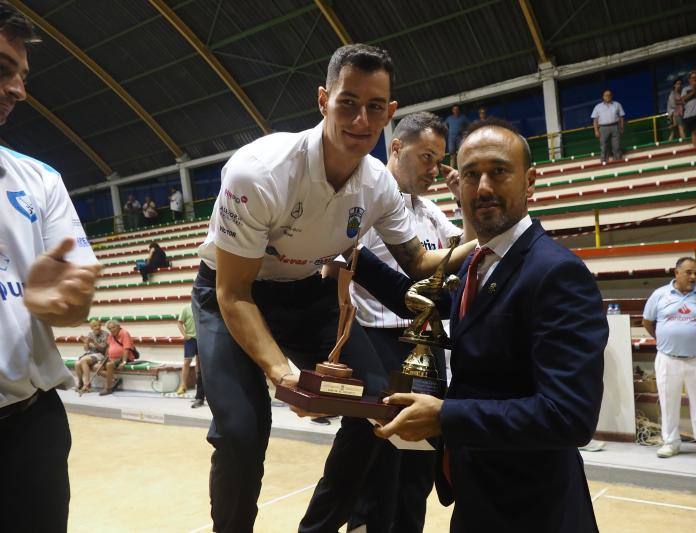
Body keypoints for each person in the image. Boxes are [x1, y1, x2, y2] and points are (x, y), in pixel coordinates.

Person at [191, 43, 477, 533]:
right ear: (323, 100)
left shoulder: (378, 187)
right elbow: (233, 294)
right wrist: (283, 375)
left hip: (305, 292)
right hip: (233, 294)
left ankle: (319, 528)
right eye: (348, 102)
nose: (360, 118)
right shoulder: (257, 172)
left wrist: (480, 235)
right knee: (240, 433)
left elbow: (418, 263)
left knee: (380, 405)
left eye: (373, 107)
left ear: (389, 113)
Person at [357, 118, 608, 531]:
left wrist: (447, 416)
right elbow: (418, 299)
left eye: (498, 172)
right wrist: (348, 254)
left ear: (530, 181)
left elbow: (569, 417)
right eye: (471, 175)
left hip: (532, 507)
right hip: (479, 496)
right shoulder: (482, 261)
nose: (484, 187)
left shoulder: (556, 273)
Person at [0, 4, 102, 530]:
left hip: (28, 429)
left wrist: (67, 301)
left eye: (21, 74)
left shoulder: (39, 179)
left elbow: (74, 307)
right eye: (2, 69)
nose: (18, 89)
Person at [347, 112, 473, 533]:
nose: (434, 170)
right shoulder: (363, 200)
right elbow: (338, 269)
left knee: (419, 466)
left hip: (428, 346)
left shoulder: (431, 210)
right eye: (426, 158)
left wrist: (468, 204)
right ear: (396, 148)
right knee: (378, 465)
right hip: (380, 344)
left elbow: (468, 253)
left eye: (439, 160)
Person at [641, 257, 696, 462]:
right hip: (668, 358)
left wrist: (695, 342)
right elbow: (648, 322)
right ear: (676, 273)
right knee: (668, 402)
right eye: (688, 272)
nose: (693, 276)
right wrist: (667, 340)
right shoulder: (659, 295)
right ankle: (671, 443)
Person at [176, 303, 204, 408]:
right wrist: (185, 335)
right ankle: (183, 385)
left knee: (199, 363)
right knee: (187, 361)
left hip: (201, 338)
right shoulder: (186, 308)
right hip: (190, 339)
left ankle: (198, 385)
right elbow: (179, 323)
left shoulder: (201, 307)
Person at [102, 320, 135, 396]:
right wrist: (104, 358)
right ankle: (114, 379)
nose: (112, 330)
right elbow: (108, 348)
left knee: (109, 365)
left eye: (113, 327)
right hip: (112, 358)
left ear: (118, 326)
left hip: (124, 357)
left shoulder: (124, 333)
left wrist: (124, 362)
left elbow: (126, 349)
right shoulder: (110, 335)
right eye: (110, 329)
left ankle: (108, 388)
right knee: (97, 367)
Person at [75, 319, 109, 393]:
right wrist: (86, 343)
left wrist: (94, 342)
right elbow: (86, 349)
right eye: (95, 326)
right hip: (90, 354)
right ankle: (81, 382)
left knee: (83, 360)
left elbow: (102, 348)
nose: (97, 327)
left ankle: (87, 384)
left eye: (99, 325)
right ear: (91, 327)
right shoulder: (90, 334)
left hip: (100, 354)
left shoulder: (105, 334)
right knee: (77, 364)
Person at [591, 89, 625, 162]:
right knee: (604, 146)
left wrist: (622, 128)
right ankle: (604, 162)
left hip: (615, 126)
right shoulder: (597, 107)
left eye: (609, 95)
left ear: (611, 96)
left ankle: (618, 161)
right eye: (606, 95)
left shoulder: (617, 104)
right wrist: (596, 131)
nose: (607, 96)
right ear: (603, 97)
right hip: (603, 128)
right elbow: (595, 120)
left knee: (617, 145)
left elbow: (621, 117)